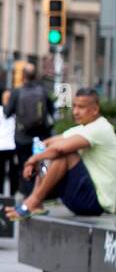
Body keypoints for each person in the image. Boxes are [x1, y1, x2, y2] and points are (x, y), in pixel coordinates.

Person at [9, 88, 116, 219]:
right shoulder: (82, 129)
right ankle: (35, 200)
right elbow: (46, 144)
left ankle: (33, 201)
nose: (75, 112)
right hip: (80, 198)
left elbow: (59, 149)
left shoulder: (101, 128)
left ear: (95, 109)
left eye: (81, 107)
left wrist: (31, 160)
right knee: (46, 155)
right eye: (74, 106)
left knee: (65, 154)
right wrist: (37, 159)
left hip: (96, 204)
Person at [4, 62, 55, 198]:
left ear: (22, 76)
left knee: (24, 164)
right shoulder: (43, 91)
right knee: (41, 164)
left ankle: (27, 193)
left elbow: (7, 113)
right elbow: (52, 111)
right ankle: (40, 192)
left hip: (22, 137)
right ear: (36, 75)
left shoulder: (17, 92)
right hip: (41, 136)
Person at [0, 88, 18, 196]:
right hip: (12, 145)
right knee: (13, 172)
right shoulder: (16, 111)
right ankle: (12, 194)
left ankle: (1, 193)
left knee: (0, 171)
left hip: (0, 145)